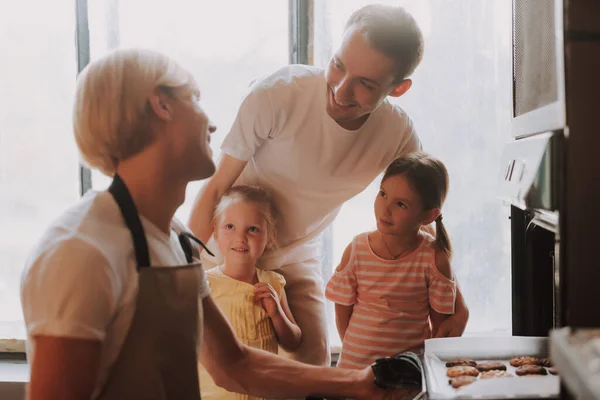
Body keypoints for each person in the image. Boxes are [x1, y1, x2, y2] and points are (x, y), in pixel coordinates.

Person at [20, 48, 416, 400]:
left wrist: (362, 384)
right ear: (162, 106)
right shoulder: (81, 251)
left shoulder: (175, 239)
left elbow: (236, 365)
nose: (212, 125)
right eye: (196, 99)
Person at [189, 4, 469, 368]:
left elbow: (422, 216)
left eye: (365, 84)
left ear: (398, 88)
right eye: (338, 65)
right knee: (207, 362)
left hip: (295, 249)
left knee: (312, 365)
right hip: (227, 242)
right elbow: (214, 188)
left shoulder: (397, 134)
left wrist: (457, 303)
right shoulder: (276, 94)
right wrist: (182, 272)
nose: (340, 88)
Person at [326, 152, 458, 369]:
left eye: (401, 204)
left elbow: (439, 328)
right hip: (355, 372)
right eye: (383, 194)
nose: (385, 209)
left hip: (407, 377)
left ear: (427, 216)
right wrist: (356, 353)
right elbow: (342, 312)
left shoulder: (434, 258)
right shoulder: (356, 250)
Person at [199, 185, 301, 399]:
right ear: (215, 233)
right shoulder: (205, 283)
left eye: (252, 229)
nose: (240, 237)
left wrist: (276, 314)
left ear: (270, 237)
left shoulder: (273, 282)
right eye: (230, 226)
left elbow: (293, 342)